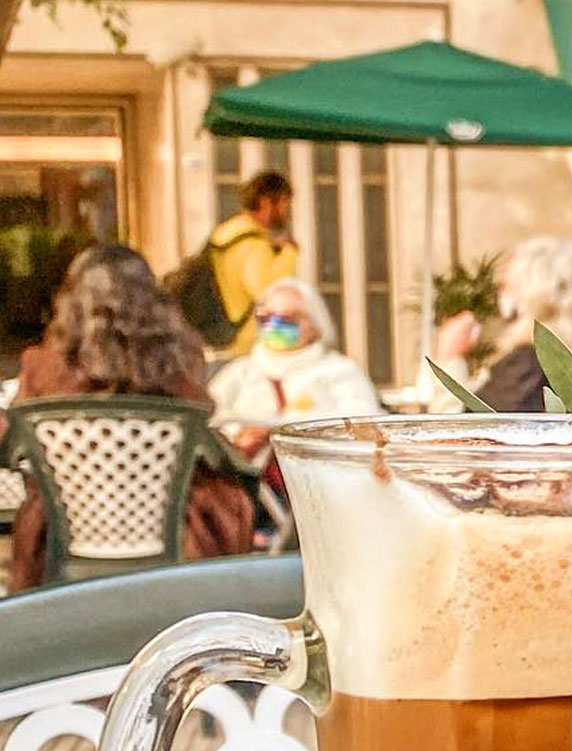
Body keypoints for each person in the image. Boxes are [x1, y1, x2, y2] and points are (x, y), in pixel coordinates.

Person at [8, 245, 253, 591]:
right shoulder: (179, 361)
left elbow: (16, 445)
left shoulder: (42, 366)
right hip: (173, 527)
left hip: (68, 526)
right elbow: (206, 421)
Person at [422, 236, 572, 413]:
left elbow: (461, 433)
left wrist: (450, 357)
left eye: (507, 286)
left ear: (534, 296)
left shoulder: (526, 368)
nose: (501, 294)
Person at [210, 278, 382, 455]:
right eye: (266, 317)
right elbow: (208, 417)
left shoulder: (341, 371)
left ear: (315, 324)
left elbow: (362, 424)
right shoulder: (240, 371)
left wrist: (279, 430)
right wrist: (241, 434)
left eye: (287, 318)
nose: (275, 324)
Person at [209, 172, 298, 356]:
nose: (287, 212)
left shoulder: (226, 235)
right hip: (247, 349)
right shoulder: (254, 246)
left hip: (224, 342)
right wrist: (289, 252)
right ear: (266, 202)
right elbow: (270, 294)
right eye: (284, 203)